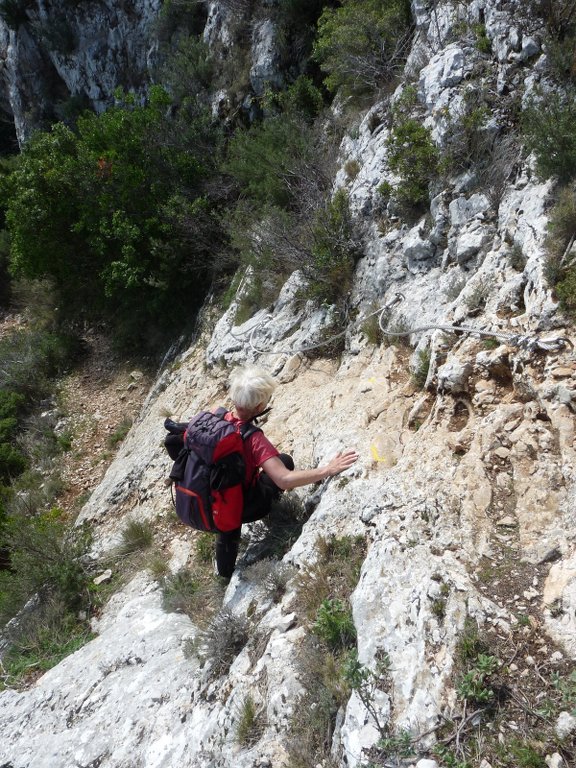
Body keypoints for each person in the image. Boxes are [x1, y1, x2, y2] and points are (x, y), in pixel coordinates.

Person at [215, 364, 359, 578]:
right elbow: (284, 479)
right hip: (236, 508)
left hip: (207, 499)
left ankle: (224, 573)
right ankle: (261, 521)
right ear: (260, 405)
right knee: (284, 462)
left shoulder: (215, 417)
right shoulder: (254, 439)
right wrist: (328, 469)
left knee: (229, 493)